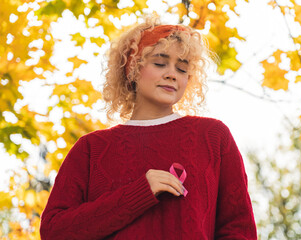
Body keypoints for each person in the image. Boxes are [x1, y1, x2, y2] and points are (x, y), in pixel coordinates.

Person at [40, 16, 257, 239]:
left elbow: (239, 229)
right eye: (160, 63)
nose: (172, 74)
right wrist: (139, 193)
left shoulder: (213, 137)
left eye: (182, 69)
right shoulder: (91, 148)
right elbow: (54, 231)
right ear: (132, 69)